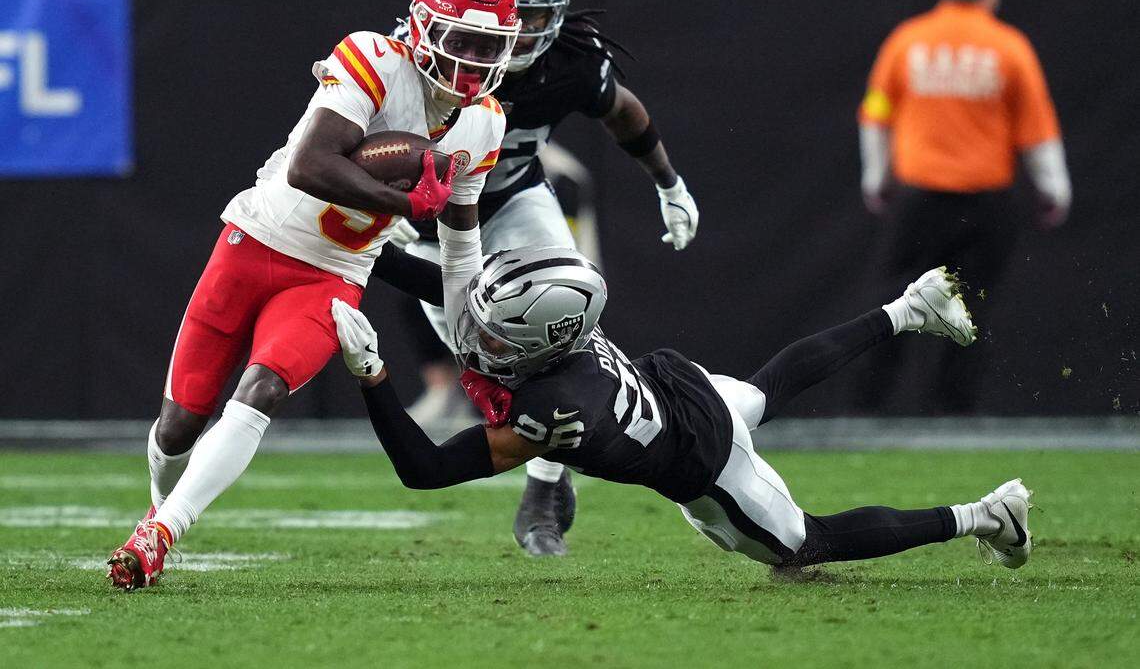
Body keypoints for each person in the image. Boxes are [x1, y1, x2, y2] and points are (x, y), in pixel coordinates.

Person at [105, 0, 520, 591]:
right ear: (423, 23)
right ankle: (158, 509)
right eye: (460, 39)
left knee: (263, 388)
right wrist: (404, 203)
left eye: (486, 45)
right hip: (256, 240)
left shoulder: (486, 120)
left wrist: (469, 346)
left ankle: (162, 533)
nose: (471, 60)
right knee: (179, 423)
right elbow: (310, 165)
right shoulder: (376, 59)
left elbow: (461, 245)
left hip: (332, 272)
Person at [333, 247, 1034, 571]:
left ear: (538, 341)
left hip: (704, 462)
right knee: (767, 388)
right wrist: (362, 250)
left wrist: (372, 374)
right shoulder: (563, 329)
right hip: (680, 386)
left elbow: (425, 468)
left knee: (804, 545)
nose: (477, 337)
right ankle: (909, 306)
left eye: (496, 332)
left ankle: (987, 515)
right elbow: (459, 292)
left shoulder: (552, 406)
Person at [379, 0, 699, 557]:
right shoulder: (429, 51)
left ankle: (545, 483)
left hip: (517, 195)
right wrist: (371, 203)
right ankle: (539, 459)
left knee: (563, 317)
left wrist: (669, 182)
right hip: (430, 219)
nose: (522, 34)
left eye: (538, 17)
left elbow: (622, 110)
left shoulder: (568, 60)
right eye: (513, 15)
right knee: (490, 352)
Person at [857, 0, 1071, 412]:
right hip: (984, 204)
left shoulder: (907, 41)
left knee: (894, 304)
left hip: (918, 201)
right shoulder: (1008, 48)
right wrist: (1054, 185)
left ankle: (867, 411)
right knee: (970, 311)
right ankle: (953, 417)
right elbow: (1036, 129)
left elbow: (875, 112)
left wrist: (876, 175)